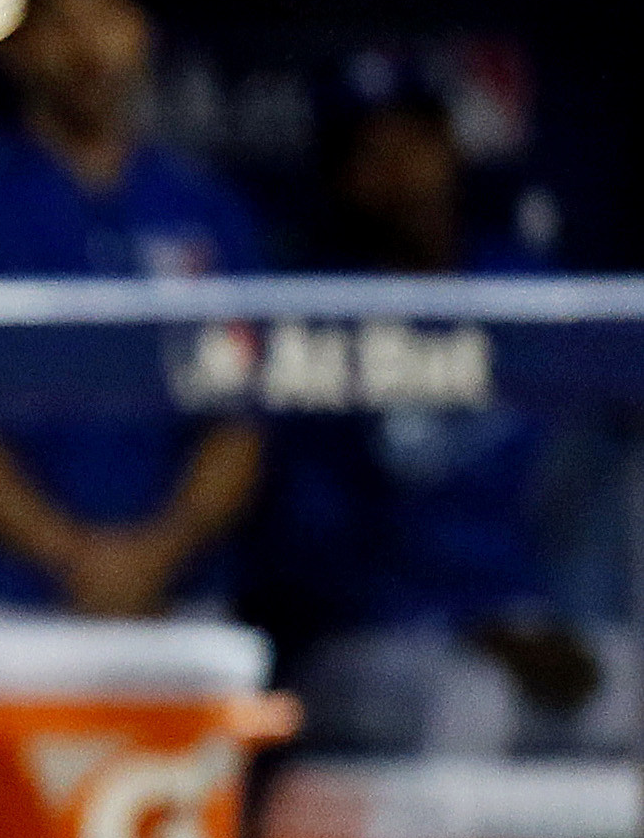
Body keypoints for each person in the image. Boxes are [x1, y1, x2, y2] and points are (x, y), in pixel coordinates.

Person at [258, 80, 631, 754]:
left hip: (531, 623)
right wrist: (469, 627)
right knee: (470, 699)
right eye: (375, 153)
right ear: (340, 180)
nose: (404, 171)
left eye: (419, 143)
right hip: (376, 640)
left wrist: (555, 621)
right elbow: (309, 558)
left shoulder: (525, 295)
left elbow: (593, 475)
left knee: (624, 687)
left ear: (451, 151)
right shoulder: (318, 317)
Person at [0, 0, 264, 617]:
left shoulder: (205, 209)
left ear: (140, 32)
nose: (87, 46)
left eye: (106, 17)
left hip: (175, 597)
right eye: (58, 22)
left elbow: (240, 424)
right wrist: (71, 556)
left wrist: (154, 555)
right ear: (15, 47)